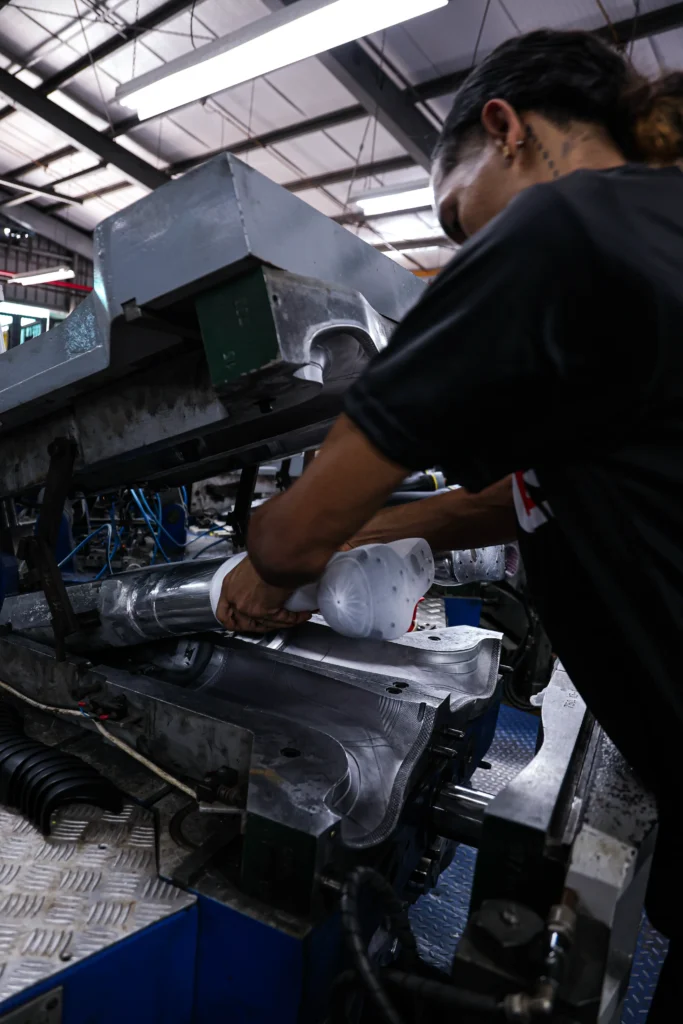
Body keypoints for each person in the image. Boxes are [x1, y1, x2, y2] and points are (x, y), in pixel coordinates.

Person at [217, 30, 683, 1014]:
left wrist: (272, 557)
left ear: (503, 129)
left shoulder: (559, 226)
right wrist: (358, 533)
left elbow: (289, 539)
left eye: (452, 214)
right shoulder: (653, 232)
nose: (460, 243)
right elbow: (503, 494)